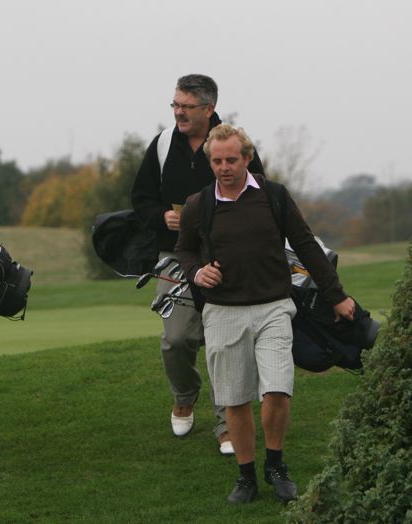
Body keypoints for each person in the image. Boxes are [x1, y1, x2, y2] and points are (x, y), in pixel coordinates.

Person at [175, 123, 355, 503]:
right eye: (217, 160)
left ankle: (275, 464)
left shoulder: (273, 196)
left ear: (247, 158)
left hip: (274, 307)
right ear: (210, 161)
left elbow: (306, 246)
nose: (224, 167)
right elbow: (185, 251)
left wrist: (336, 295)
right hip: (223, 313)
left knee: (276, 390)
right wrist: (196, 272)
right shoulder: (198, 205)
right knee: (235, 399)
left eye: (231, 159)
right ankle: (246, 476)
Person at [131, 74, 265, 453]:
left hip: (227, 257)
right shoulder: (161, 145)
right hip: (175, 256)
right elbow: (141, 198)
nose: (178, 113)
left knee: (224, 342)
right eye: (175, 105)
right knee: (176, 339)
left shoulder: (232, 143)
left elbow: (259, 194)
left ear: (208, 109)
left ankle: (226, 425)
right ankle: (185, 396)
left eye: (186, 107)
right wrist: (162, 217)